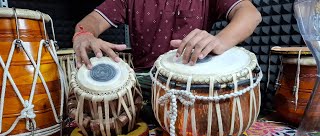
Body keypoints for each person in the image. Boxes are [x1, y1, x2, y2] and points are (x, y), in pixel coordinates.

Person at [72, 0, 262, 124]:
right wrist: (83, 34)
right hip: (145, 86)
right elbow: (93, 21)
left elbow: (250, 14)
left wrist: (219, 41)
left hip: (191, 86)